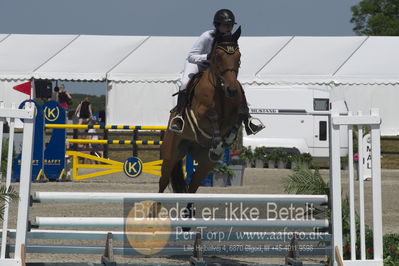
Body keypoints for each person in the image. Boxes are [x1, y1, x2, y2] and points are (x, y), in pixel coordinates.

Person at [169, 9, 264, 135]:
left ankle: (248, 120)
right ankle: (179, 117)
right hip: (198, 64)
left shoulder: (231, 39)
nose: (229, 28)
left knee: (235, 84)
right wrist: (207, 57)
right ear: (217, 25)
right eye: (226, 25)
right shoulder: (207, 36)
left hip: (217, 68)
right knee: (185, 83)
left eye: (230, 25)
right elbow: (191, 56)